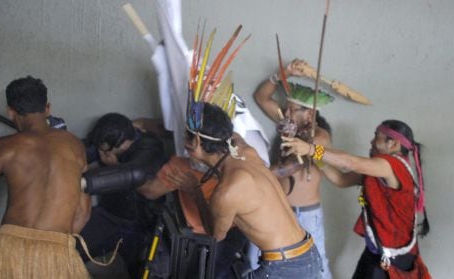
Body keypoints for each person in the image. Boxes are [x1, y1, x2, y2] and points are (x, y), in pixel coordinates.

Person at [0, 76, 91, 278]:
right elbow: (82, 212)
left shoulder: (1, 147)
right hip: (57, 256)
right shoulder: (75, 146)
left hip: (9, 253)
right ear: (47, 108)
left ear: (10, 111)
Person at [170, 102, 322, 278]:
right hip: (307, 254)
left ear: (196, 141)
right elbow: (232, 135)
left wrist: (195, 192)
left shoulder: (227, 191)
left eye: (185, 137)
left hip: (285, 269)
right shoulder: (246, 151)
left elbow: (214, 236)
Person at [282, 119, 431, 278]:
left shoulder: (390, 165)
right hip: (377, 252)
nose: (371, 141)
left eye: (376, 137)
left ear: (393, 144)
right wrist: (317, 159)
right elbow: (341, 179)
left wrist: (311, 149)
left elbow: (349, 162)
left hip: (391, 257)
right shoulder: (378, 168)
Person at [254, 58, 334, 278]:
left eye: (293, 110)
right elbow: (261, 97)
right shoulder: (287, 124)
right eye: (286, 109)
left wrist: (260, 177)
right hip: (278, 209)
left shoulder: (320, 136)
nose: (286, 114)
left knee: (317, 268)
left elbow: (298, 160)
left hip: (305, 215)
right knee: (260, 260)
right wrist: (282, 74)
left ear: (310, 114)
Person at [79, 112, 166, 277]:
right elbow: (81, 152)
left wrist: (84, 183)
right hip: (109, 215)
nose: (102, 154)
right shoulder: (110, 141)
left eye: (106, 150)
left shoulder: (149, 146)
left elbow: (134, 173)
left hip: (141, 224)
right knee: (73, 247)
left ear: (126, 142)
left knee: (140, 270)